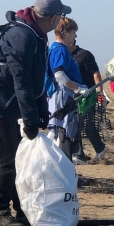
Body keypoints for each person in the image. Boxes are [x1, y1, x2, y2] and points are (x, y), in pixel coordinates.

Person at [0, 0, 68, 226]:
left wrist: (41, 109)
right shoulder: (22, 35)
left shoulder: (36, 35)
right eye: (61, 16)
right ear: (54, 17)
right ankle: (1, 213)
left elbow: (37, 79)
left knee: (18, 157)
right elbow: (21, 79)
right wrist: (30, 117)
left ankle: (21, 207)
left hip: (10, 101)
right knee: (8, 158)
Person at [45, 17, 91, 162]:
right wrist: (78, 89)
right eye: (73, 32)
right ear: (64, 32)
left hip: (64, 96)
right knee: (63, 133)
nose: (75, 36)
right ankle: (64, 171)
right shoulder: (60, 50)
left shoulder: (58, 49)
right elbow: (59, 75)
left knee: (65, 132)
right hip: (63, 98)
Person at [71, 41, 107, 163]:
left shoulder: (84, 55)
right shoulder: (64, 55)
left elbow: (96, 74)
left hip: (89, 96)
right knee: (75, 125)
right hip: (73, 95)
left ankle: (100, 149)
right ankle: (79, 154)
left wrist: (100, 93)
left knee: (88, 126)